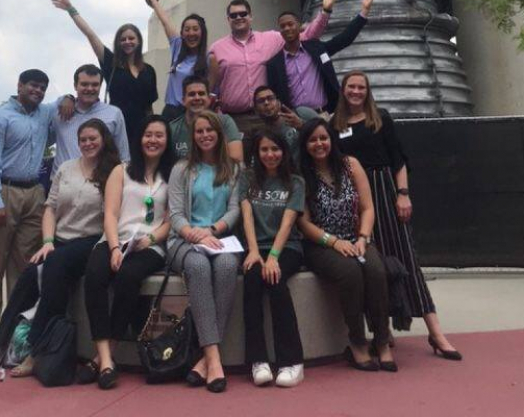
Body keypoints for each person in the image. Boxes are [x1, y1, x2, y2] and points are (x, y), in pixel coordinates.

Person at [332, 70, 462, 360]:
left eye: (360, 87)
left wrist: (402, 194)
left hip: (384, 190)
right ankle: (382, 330)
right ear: (343, 90)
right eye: (351, 87)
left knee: (405, 258)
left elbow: (399, 158)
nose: (355, 92)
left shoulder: (381, 119)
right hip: (356, 200)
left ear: (367, 91)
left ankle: (435, 332)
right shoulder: (335, 124)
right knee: (371, 264)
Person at [0, 119, 121, 375]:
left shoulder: (114, 171)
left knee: (55, 266)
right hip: (60, 241)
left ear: (104, 140)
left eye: (93, 139)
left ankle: (35, 350)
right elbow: (50, 208)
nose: (88, 144)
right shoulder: (66, 168)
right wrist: (47, 242)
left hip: (92, 241)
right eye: (83, 140)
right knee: (29, 275)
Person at [83, 115, 175, 389]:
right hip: (116, 239)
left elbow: (172, 220)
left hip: (151, 245)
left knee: (128, 278)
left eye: (159, 135)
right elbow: (110, 214)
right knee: (95, 275)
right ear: (139, 138)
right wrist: (113, 248)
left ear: (167, 141)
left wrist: (150, 238)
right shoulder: (121, 170)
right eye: (148, 134)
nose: (153, 140)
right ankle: (106, 360)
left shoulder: (173, 175)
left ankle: (102, 357)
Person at [298, 118, 396, 372]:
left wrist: (363, 237)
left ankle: (383, 341)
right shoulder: (301, 174)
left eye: (323, 138)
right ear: (305, 144)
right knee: (350, 273)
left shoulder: (350, 165)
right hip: (321, 244)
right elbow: (304, 223)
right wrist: (333, 242)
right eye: (312, 140)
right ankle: (357, 342)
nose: (319, 144)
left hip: (357, 238)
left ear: (331, 139)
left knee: (375, 270)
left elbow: (367, 207)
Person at [0, 69, 54, 360]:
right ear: (19, 86)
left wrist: (69, 98)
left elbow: (69, 106)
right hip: (3, 190)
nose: (38, 91)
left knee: (24, 268)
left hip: (33, 191)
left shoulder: (44, 115)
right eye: (33, 85)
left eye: (43, 87)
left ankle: (15, 334)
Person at [168, 110, 242, 393]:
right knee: (198, 267)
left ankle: (204, 360)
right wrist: (193, 233)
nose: (205, 135)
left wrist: (213, 230)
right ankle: (214, 357)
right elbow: (174, 214)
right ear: (193, 136)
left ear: (219, 134)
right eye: (199, 131)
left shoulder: (233, 169)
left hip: (219, 239)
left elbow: (235, 209)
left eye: (209, 130)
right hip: (183, 241)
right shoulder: (182, 169)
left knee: (225, 267)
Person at [208, 0, 339, 131]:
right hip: (235, 121)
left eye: (243, 13)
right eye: (233, 15)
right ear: (228, 19)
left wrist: (325, 12)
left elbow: (307, 36)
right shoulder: (216, 48)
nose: (238, 17)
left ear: (251, 16)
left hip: (267, 118)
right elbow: (211, 85)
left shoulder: (271, 39)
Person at [240, 129, 306, 388]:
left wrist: (274, 257)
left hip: (286, 247)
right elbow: (247, 217)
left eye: (275, 149)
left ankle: (292, 362)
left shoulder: (295, 182)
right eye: (264, 150)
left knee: (276, 283)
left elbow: (288, 223)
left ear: (284, 152)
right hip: (257, 247)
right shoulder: (247, 178)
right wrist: (254, 252)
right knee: (252, 281)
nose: (270, 155)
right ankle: (258, 360)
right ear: (257, 153)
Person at [52, 0, 158, 147]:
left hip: (142, 130)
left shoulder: (149, 70)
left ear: (139, 41)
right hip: (115, 127)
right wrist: (71, 9)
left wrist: (152, 130)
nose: (127, 42)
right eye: (123, 39)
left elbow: (149, 107)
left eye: (131, 38)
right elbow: (90, 34)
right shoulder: (111, 62)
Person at [265, 0, 374, 117]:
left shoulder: (316, 49)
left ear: (299, 26)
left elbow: (344, 39)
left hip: (325, 114)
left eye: (290, 24)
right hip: (295, 118)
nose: (287, 28)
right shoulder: (274, 64)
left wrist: (364, 12)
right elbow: (274, 96)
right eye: (282, 26)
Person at [141, 0, 212, 120]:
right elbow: (165, 22)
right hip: (171, 111)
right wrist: (153, 0)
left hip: (196, 113)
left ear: (203, 32)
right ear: (182, 33)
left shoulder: (209, 58)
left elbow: (211, 91)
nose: (191, 33)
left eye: (195, 29)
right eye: (187, 29)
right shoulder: (178, 47)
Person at [53, 64, 129, 168]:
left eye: (95, 85)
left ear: (100, 86)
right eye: (84, 84)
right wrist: (67, 97)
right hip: (62, 182)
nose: (90, 89)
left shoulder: (114, 114)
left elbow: (123, 155)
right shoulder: (60, 112)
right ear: (75, 85)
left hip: (100, 180)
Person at [170, 74, 243, 162]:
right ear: (183, 100)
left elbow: (237, 160)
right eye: (192, 94)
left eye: (201, 93)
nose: (197, 98)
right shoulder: (172, 129)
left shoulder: (225, 122)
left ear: (209, 99)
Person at [248, 84, 303, 165]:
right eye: (261, 101)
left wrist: (302, 126)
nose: (266, 103)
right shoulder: (257, 134)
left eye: (270, 98)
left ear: (279, 102)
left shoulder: (300, 115)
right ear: (256, 109)